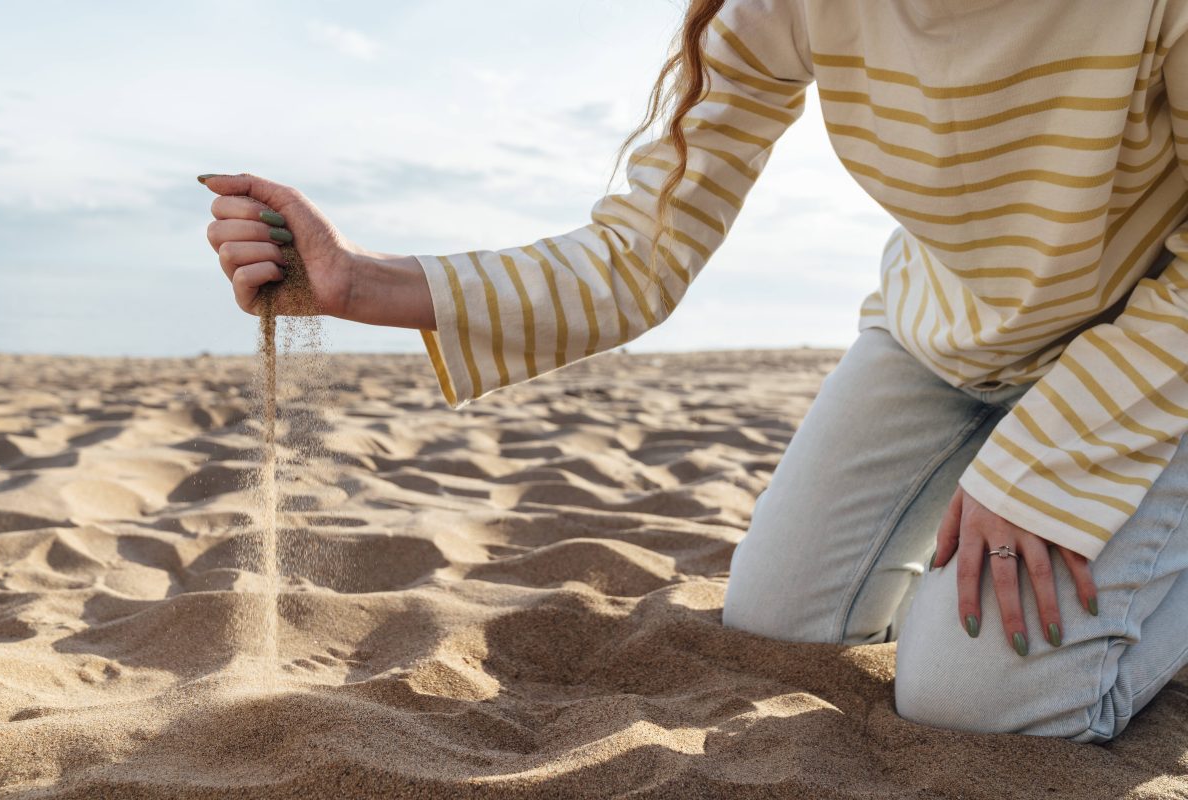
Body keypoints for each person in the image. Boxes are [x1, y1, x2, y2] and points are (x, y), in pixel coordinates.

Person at [200, 0, 1188, 743]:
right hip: (942, 336)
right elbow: (639, 255)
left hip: (1149, 353)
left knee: (974, 701)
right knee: (779, 623)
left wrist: (1044, 465)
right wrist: (354, 282)